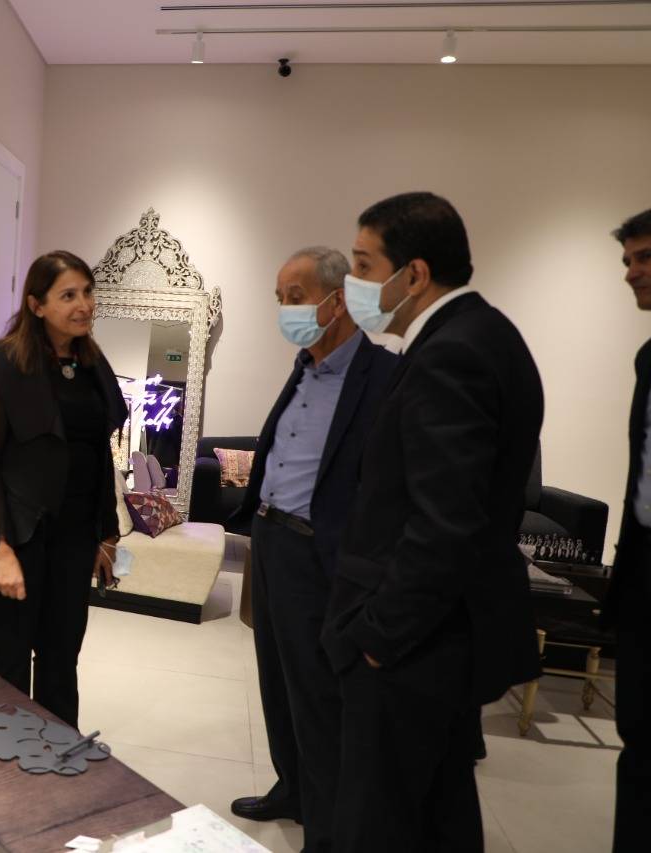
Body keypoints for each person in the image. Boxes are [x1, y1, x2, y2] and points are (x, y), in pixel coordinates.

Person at [322, 192, 543, 851]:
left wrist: (379, 636)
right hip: (438, 638)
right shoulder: (483, 334)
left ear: (414, 274)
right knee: (438, 816)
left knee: (380, 823)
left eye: (364, 265)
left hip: (416, 647)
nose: (353, 283)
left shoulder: (453, 352)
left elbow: (446, 522)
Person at [228, 247, 397, 851]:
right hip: (270, 540)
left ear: (336, 300)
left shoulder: (383, 377)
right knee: (275, 678)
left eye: (294, 297)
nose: (285, 310)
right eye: (280, 299)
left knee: (317, 697)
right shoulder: (304, 367)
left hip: (317, 554)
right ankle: (292, 787)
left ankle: (326, 831)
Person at [0, 250, 128, 729]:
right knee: (7, 659)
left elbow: (99, 454)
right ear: (37, 305)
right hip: (17, 532)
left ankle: (56, 761)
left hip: (73, 536)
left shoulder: (92, 365)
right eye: (68, 295)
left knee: (61, 657)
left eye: (87, 292)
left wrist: (107, 533)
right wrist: (0, 549)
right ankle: (0, 764)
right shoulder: (4, 362)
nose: (84, 305)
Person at [608, 207, 651, 852]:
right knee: (638, 741)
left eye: (645, 259)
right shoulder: (648, 358)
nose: (631, 272)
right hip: (644, 581)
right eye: (627, 260)